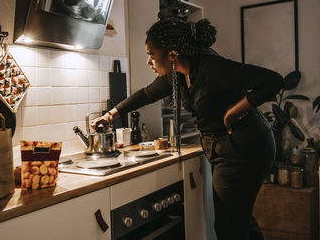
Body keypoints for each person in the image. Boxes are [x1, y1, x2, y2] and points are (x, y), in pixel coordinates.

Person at [92, 19, 284, 239]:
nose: (149, 62)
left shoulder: (214, 69)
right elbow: (146, 95)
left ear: (172, 55)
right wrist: (110, 115)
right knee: (239, 219)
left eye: (152, 57)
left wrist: (234, 111)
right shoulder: (178, 75)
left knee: (229, 227)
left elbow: (274, 81)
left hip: (245, 146)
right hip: (225, 147)